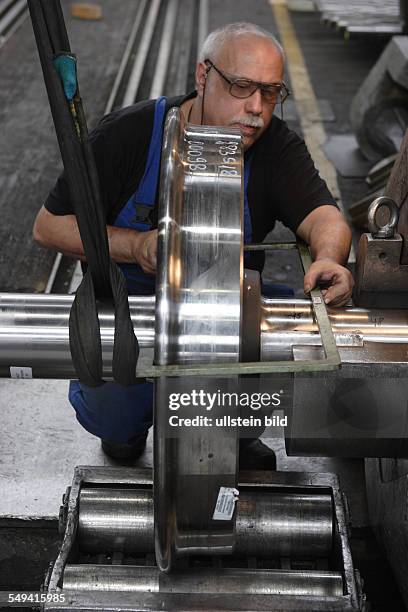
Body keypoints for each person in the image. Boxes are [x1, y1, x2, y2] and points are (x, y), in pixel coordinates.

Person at [33, 22, 354, 468]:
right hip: (135, 307)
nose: (257, 109)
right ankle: (127, 428)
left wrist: (329, 257)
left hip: (224, 310)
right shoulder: (129, 134)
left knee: (278, 333)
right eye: (242, 87)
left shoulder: (275, 147)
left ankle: (234, 431)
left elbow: (325, 216)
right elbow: (49, 226)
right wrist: (134, 245)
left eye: (270, 93)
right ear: (204, 76)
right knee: (115, 414)